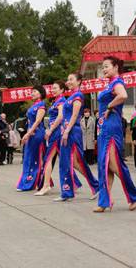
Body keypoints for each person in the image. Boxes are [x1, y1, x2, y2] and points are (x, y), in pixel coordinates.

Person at [95, 57, 136, 213]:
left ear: (115, 67)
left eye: (106, 66)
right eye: (103, 67)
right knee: (104, 163)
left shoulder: (117, 82)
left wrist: (109, 106)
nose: (104, 69)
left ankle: (134, 195)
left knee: (113, 164)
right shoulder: (109, 84)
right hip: (103, 127)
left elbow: (123, 95)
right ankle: (105, 200)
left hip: (111, 126)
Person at [55, 74, 99, 202]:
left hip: (72, 132)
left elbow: (74, 116)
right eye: (67, 79)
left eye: (71, 79)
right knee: (70, 162)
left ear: (79, 81)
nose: (68, 82)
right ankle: (69, 191)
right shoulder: (71, 96)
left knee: (72, 161)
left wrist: (67, 131)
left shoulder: (78, 96)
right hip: (68, 131)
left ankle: (69, 192)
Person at [35, 81, 68, 195]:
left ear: (62, 90)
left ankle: (46, 186)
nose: (52, 90)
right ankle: (76, 183)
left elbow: (60, 116)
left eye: (55, 88)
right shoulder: (56, 101)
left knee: (48, 159)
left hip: (57, 132)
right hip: (54, 132)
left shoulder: (61, 101)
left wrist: (50, 130)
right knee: (66, 160)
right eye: (52, 88)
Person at [16, 85, 48, 191]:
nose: (32, 93)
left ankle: (30, 183)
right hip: (31, 133)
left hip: (37, 134)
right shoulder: (34, 105)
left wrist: (27, 134)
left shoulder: (41, 105)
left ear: (41, 93)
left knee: (34, 158)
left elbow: (38, 121)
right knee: (29, 158)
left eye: (35, 91)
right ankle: (38, 180)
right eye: (32, 91)